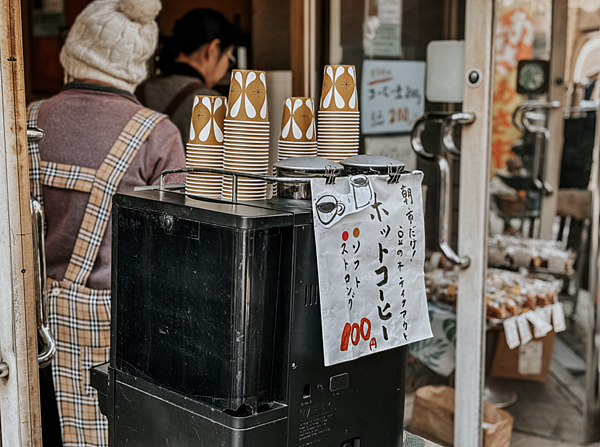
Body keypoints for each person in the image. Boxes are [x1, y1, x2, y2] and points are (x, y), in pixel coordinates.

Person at [27, 0, 185, 446]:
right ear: (137, 64)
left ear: (73, 49)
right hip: (111, 331)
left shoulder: (26, 121)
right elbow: (176, 253)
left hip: (25, 323)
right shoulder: (157, 135)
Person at [137, 8, 237, 144]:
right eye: (229, 57)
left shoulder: (137, 91)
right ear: (213, 48)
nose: (227, 65)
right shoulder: (212, 105)